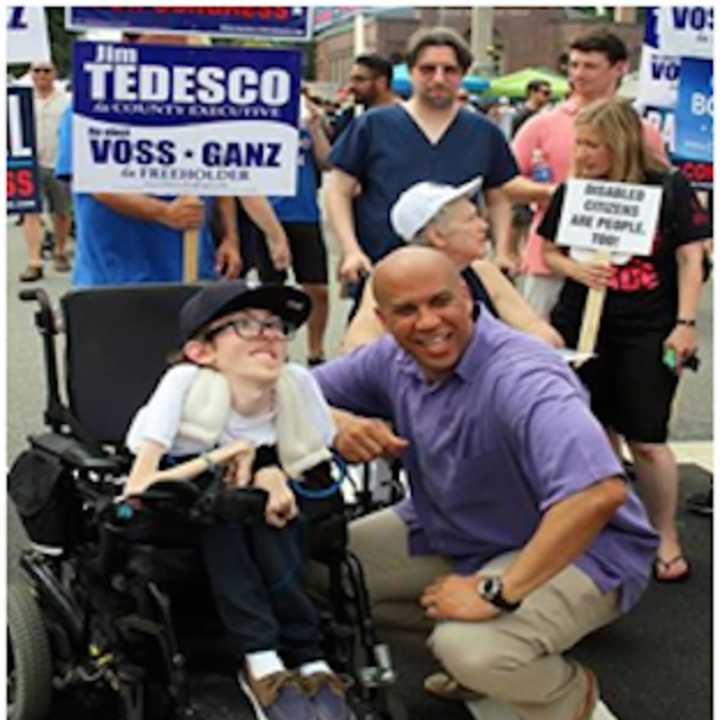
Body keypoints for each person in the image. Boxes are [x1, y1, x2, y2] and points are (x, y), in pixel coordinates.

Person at [313, 246, 659, 720]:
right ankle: (484, 671)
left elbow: (600, 492)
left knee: (475, 647)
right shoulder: (390, 358)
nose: (429, 322)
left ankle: (566, 698)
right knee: (318, 573)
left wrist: (497, 593)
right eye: (407, 310)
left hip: (580, 548)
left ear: (467, 297)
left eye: (440, 302)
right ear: (383, 318)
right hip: (456, 528)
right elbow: (291, 389)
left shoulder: (525, 375)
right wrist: (335, 421)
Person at [125, 280, 353, 720]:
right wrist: (225, 456)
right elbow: (139, 485)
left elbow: (314, 462)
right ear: (201, 352)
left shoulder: (297, 384)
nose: (268, 334)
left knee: (277, 511)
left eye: (275, 325)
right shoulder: (184, 385)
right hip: (184, 492)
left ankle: (309, 657)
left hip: (268, 492)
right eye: (245, 325)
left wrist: (272, 475)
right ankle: (261, 656)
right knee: (228, 510)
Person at [539, 98, 710, 583]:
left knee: (648, 438)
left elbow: (689, 260)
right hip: (583, 324)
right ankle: (610, 525)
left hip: (649, 326)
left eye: (592, 144)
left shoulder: (668, 188)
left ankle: (664, 534)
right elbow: (550, 252)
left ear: (619, 143)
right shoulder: (575, 189)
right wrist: (577, 267)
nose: (583, 153)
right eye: (580, 142)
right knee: (594, 431)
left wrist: (685, 323)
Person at [324, 27, 521, 290]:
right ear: (412, 71)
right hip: (383, 268)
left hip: (457, 275)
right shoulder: (373, 125)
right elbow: (338, 189)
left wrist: (503, 251)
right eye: (428, 69)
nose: (438, 79)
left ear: (462, 74)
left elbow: (498, 197)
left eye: (449, 70)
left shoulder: (484, 132)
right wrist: (350, 249)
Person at [54, 33, 242, 286]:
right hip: (113, 277)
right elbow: (96, 184)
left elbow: (221, 177)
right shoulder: (88, 108)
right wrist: (164, 212)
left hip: (192, 270)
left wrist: (230, 238)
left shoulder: (203, 109)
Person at [509, 31, 667, 316]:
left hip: (619, 269)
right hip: (549, 261)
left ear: (619, 68)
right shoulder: (541, 124)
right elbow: (505, 183)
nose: (579, 74)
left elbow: (662, 194)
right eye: (574, 65)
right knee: (540, 345)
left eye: (590, 66)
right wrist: (557, 194)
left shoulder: (644, 132)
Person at [342, 177, 564, 352]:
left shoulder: (482, 271)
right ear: (437, 235)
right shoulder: (392, 278)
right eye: (471, 219)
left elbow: (538, 331)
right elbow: (357, 348)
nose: (484, 226)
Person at [256, 94, 333, 365]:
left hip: (304, 214)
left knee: (317, 288)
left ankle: (316, 351)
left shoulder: (305, 120)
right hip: (268, 215)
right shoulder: (258, 121)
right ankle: (275, 349)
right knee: (271, 289)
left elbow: (327, 162)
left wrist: (315, 127)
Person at [19, 60, 72, 282]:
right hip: (29, 164)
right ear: (31, 74)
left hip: (58, 163)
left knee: (62, 212)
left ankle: (60, 250)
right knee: (30, 212)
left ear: (54, 73)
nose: (41, 75)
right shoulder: (20, 100)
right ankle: (34, 261)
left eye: (46, 70)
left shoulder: (67, 101)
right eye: (37, 70)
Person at [330, 53, 397, 141]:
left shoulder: (403, 118)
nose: (351, 86)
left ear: (381, 82)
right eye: (352, 80)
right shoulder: (352, 115)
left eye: (359, 79)